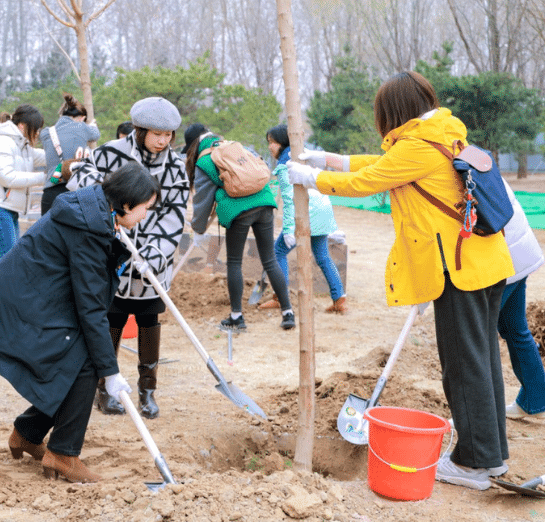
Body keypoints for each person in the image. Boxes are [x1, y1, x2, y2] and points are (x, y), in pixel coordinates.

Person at [287, 71, 515, 491]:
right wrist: (326, 160)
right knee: (481, 360)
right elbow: (382, 165)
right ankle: (491, 456)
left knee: (463, 367)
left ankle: (473, 465)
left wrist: (311, 179)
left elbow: (367, 181)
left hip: (457, 269)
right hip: (484, 261)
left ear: (391, 112)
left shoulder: (416, 145)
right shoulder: (443, 134)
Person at [0, 161, 161, 483]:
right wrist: (109, 371)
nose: (145, 215)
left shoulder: (94, 210)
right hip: (22, 301)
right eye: (145, 208)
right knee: (84, 362)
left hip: (32, 293)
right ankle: (64, 454)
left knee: (77, 359)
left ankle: (28, 432)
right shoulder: (89, 228)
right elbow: (91, 309)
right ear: (124, 205)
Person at [65, 96, 188, 420]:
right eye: (157, 134)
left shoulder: (175, 165)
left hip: (151, 262)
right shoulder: (110, 152)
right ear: (141, 129)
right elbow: (85, 187)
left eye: (169, 135)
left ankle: (148, 390)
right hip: (114, 252)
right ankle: (105, 389)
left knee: (149, 320)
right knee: (112, 319)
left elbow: (175, 212)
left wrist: (155, 253)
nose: (163, 141)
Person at [184, 125, 296, 332]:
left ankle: (237, 316)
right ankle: (288, 311)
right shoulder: (234, 146)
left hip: (238, 210)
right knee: (270, 259)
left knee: (234, 262)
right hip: (264, 202)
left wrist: (198, 228)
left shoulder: (204, 161)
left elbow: (202, 200)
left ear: (193, 145)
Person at [262, 124, 347, 314]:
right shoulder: (302, 154)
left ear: (283, 142)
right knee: (322, 255)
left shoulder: (285, 163)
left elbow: (288, 196)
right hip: (322, 206)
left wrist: (288, 229)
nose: (270, 147)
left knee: (278, 252)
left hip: (307, 209)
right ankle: (339, 298)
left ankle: (280, 298)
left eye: (273, 142)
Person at [499, 178, 545, 420]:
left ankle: (477, 415)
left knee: (474, 337)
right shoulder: (475, 158)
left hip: (502, 258)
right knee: (514, 327)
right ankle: (537, 401)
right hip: (518, 253)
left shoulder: (455, 166)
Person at [0, 104, 47, 258]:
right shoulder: (2, 142)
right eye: (35, 129)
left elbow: (44, 156)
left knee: (12, 261)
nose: (37, 134)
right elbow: (6, 177)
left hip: (8, 209)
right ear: (22, 126)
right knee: (11, 263)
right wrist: (43, 178)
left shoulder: (22, 146)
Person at [39, 93, 101, 214]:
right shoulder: (82, 127)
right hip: (74, 190)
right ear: (82, 118)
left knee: (49, 232)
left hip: (51, 189)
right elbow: (95, 135)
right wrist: (92, 126)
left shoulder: (46, 133)